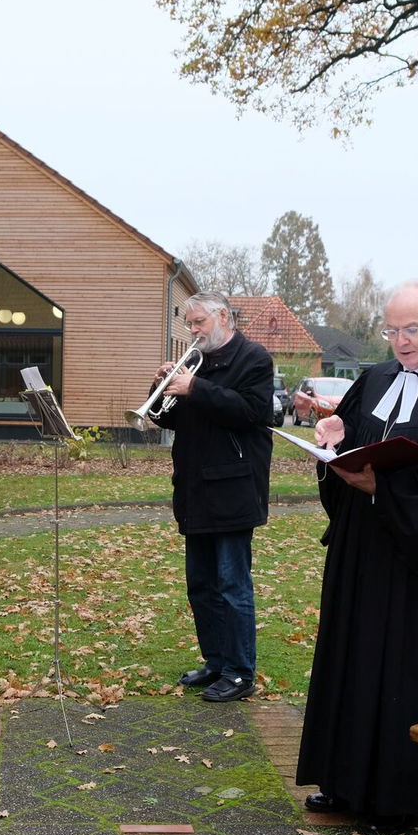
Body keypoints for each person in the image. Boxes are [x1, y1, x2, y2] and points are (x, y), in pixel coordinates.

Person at [295, 279, 418, 827]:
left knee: (407, 671)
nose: (401, 342)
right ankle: (343, 781)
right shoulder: (374, 379)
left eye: (412, 329)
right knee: (354, 661)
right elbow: (352, 449)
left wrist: (384, 490)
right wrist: (334, 439)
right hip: (364, 551)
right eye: (391, 330)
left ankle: (401, 795)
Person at [150, 291, 274, 703]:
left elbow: (253, 412)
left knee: (232, 586)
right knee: (201, 585)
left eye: (199, 321)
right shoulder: (195, 365)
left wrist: (196, 387)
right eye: (190, 323)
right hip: (196, 490)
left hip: (234, 491)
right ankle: (217, 662)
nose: (194, 330)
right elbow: (164, 417)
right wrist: (162, 387)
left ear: (223, 316)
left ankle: (240, 672)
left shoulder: (254, 359)